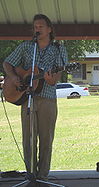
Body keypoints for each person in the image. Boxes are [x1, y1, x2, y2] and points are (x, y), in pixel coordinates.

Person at [3, 14, 68, 182]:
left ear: (49, 29)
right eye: (35, 26)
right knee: (28, 138)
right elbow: (7, 63)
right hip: (27, 98)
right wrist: (15, 77)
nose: (37, 29)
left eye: (40, 26)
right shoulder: (26, 47)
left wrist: (50, 79)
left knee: (46, 138)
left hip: (47, 98)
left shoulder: (58, 49)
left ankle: (43, 176)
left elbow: (55, 78)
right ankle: (30, 175)